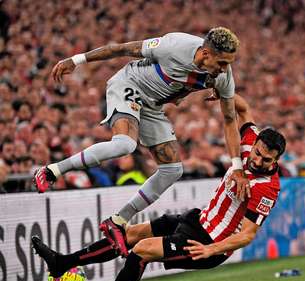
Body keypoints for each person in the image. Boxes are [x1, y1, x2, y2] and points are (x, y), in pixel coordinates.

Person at [31, 94, 286, 281]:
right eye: (257, 153)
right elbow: (243, 106)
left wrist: (211, 250)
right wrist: (223, 91)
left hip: (208, 244)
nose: (257, 160)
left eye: (266, 159)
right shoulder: (251, 139)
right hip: (197, 220)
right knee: (128, 234)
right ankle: (62, 262)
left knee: (141, 251)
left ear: (276, 160)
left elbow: (248, 234)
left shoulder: (267, 188)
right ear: (255, 144)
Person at [32, 27, 250, 257]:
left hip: (152, 107)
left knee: (172, 170)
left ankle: (118, 220)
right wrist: (76, 60)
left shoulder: (222, 76)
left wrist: (237, 167)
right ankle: (51, 171)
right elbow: (121, 49)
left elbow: (229, 119)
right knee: (125, 145)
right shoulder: (173, 46)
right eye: (223, 63)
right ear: (206, 54)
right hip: (129, 85)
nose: (226, 69)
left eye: (229, 63)